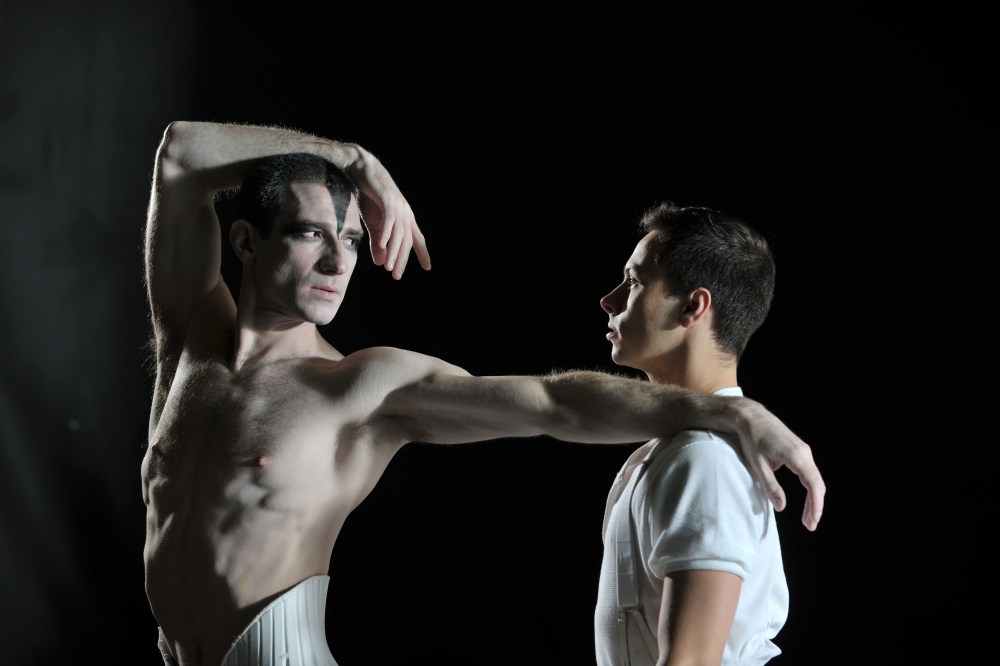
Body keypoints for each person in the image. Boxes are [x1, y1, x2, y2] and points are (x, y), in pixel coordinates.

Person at [141, 120, 824, 666]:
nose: (337, 262)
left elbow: (556, 405)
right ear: (246, 241)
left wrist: (732, 412)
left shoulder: (360, 389)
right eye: (311, 233)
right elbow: (180, 154)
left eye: (351, 239)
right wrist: (354, 161)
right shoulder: (191, 339)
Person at [594, 201, 801, 665]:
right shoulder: (675, 450)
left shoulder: (704, 460)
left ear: (693, 306)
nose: (609, 300)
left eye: (634, 282)